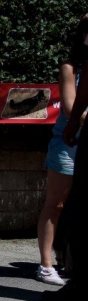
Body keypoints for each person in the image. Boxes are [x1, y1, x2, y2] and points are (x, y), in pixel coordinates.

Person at [36, 13, 88, 285]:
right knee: (56, 205)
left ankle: (71, 262)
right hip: (68, 145)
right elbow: (70, 109)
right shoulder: (71, 68)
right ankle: (46, 266)